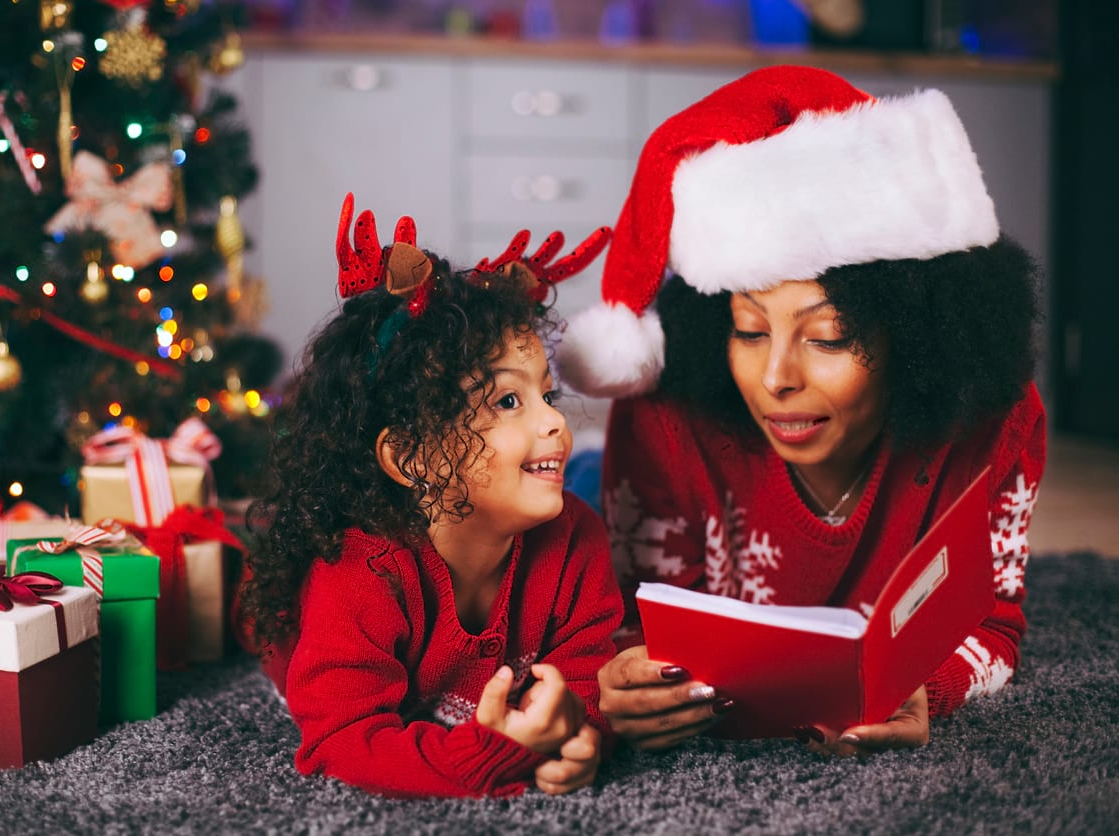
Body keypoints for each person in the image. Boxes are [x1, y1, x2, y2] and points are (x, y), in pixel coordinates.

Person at [556, 65, 1045, 756]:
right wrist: (628, 685)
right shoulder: (667, 410)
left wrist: (927, 687)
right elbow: (636, 625)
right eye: (749, 332)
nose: (776, 378)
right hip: (633, 478)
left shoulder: (995, 420)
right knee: (565, 513)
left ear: (917, 336)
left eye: (827, 337)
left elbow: (992, 627)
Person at [236, 194, 621, 797]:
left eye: (547, 394)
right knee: (236, 573)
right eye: (507, 401)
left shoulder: (576, 536)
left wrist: (579, 736)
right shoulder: (361, 569)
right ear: (413, 457)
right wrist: (487, 756)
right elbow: (341, 744)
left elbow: (587, 676)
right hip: (292, 624)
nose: (555, 422)